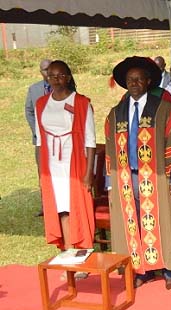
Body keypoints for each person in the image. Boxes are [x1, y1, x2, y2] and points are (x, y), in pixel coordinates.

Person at [105, 56, 171, 290]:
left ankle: (169, 269)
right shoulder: (116, 113)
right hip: (126, 177)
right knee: (136, 223)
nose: (134, 83)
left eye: (139, 79)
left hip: (157, 175)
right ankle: (143, 269)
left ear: (148, 81)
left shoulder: (163, 109)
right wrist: (111, 182)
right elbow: (111, 149)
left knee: (163, 221)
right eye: (130, 80)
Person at [35, 60, 96, 255]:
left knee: (77, 207)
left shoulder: (81, 102)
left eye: (61, 75)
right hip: (51, 164)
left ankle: (83, 253)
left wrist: (88, 173)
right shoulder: (41, 104)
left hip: (74, 162)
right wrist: (40, 173)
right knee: (60, 207)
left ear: (68, 77)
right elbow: (39, 141)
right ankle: (69, 251)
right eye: (52, 76)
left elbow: (90, 142)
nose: (56, 79)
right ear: (47, 78)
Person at [25, 58, 52, 217]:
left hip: (62, 140)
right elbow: (28, 110)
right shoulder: (33, 89)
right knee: (43, 172)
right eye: (44, 69)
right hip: (41, 140)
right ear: (39, 72)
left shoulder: (63, 87)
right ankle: (46, 206)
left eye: (50, 68)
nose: (47, 72)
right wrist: (37, 130)